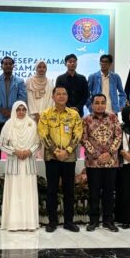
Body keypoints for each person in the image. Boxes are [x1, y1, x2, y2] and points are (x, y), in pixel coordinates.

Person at [38, 86, 83, 233]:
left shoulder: (74, 115)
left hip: (69, 159)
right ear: (53, 96)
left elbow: (78, 134)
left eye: (64, 94)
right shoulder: (45, 114)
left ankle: (69, 222)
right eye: (58, 94)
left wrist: (67, 151)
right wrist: (57, 152)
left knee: (69, 190)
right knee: (52, 190)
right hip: (52, 158)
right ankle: (52, 221)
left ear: (67, 97)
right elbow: (43, 135)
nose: (61, 96)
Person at [81, 94, 121, 232]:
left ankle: (108, 221)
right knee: (94, 193)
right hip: (93, 163)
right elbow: (84, 139)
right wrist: (98, 155)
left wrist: (109, 153)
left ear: (106, 104)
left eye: (102, 103)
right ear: (92, 105)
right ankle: (93, 221)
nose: (100, 105)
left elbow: (118, 137)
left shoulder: (113, 118)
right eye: (97, 103)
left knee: (109, 193)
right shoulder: (86, 120)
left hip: (111, 162)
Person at [0, 101, 41, 231]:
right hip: (14, 163)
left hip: (28, 163)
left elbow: (38, 143)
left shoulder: (32, 124)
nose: (21, 112)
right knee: (14, 192)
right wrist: (15, 151)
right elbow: (2, 144)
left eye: (24, 109)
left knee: (28, 193)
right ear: (14, 110)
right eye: (19, 109)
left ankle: (30, 223)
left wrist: (29, 151)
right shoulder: (8, 124)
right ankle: (13, 224)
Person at [0, 56, 27, 157]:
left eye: (10, 64)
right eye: (5, 64)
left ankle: (14, 166)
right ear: (1, 66)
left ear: (13, 66)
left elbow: (22, 97)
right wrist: (1, 109)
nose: (8, 66)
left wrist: (12, 111)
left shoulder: (20, 81)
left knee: (14, 146)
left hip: (14, 118)